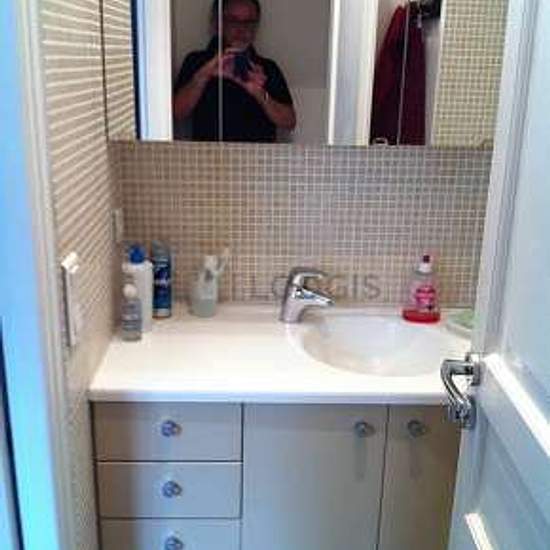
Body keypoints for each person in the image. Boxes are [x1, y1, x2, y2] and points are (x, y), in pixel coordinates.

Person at [173, 0, 296, 142]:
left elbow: (289, 122)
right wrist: (204, 75)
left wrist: (261, 94)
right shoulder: (197, 61)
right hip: (209, 154)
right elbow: (177, 113)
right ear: (218, 23)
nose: (241, 29)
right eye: (233, 20)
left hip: (258, 155)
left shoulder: (268, 68)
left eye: (248, 22)